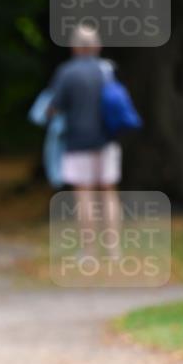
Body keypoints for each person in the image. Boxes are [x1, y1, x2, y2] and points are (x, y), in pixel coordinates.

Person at [48, 24, 122, 257]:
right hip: (107, 140)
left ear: (74, 47)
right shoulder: (107, 70)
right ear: (97, 46)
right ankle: (113, 249)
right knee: (109, 193)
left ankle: (88, 251)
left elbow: (53, 109)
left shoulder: (67, 72)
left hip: (77, 142)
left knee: (85, 196)